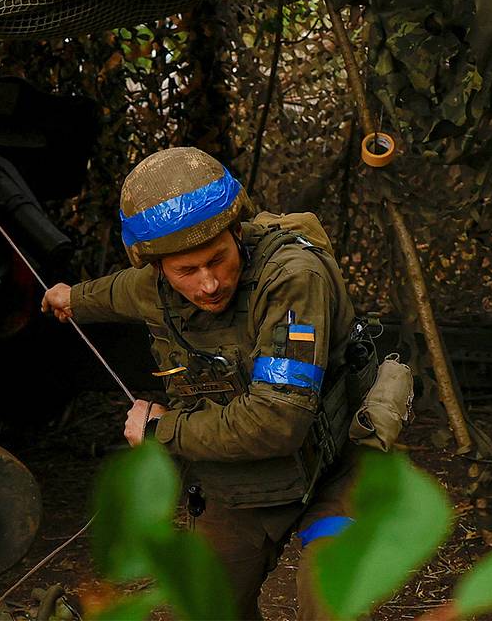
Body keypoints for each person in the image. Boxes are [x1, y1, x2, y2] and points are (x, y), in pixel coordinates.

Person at [41, 147, 374, 620]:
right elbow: (116, 292)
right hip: (241, 485)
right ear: (157, 268)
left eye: (218, 260)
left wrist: (163, 431)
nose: (210, 283)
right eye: (187, 272)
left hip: (333, 469)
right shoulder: (150, 285)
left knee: (330, 604)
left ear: (236, 231)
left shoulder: (294, 279)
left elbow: (279, 420)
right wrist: (69, 298)